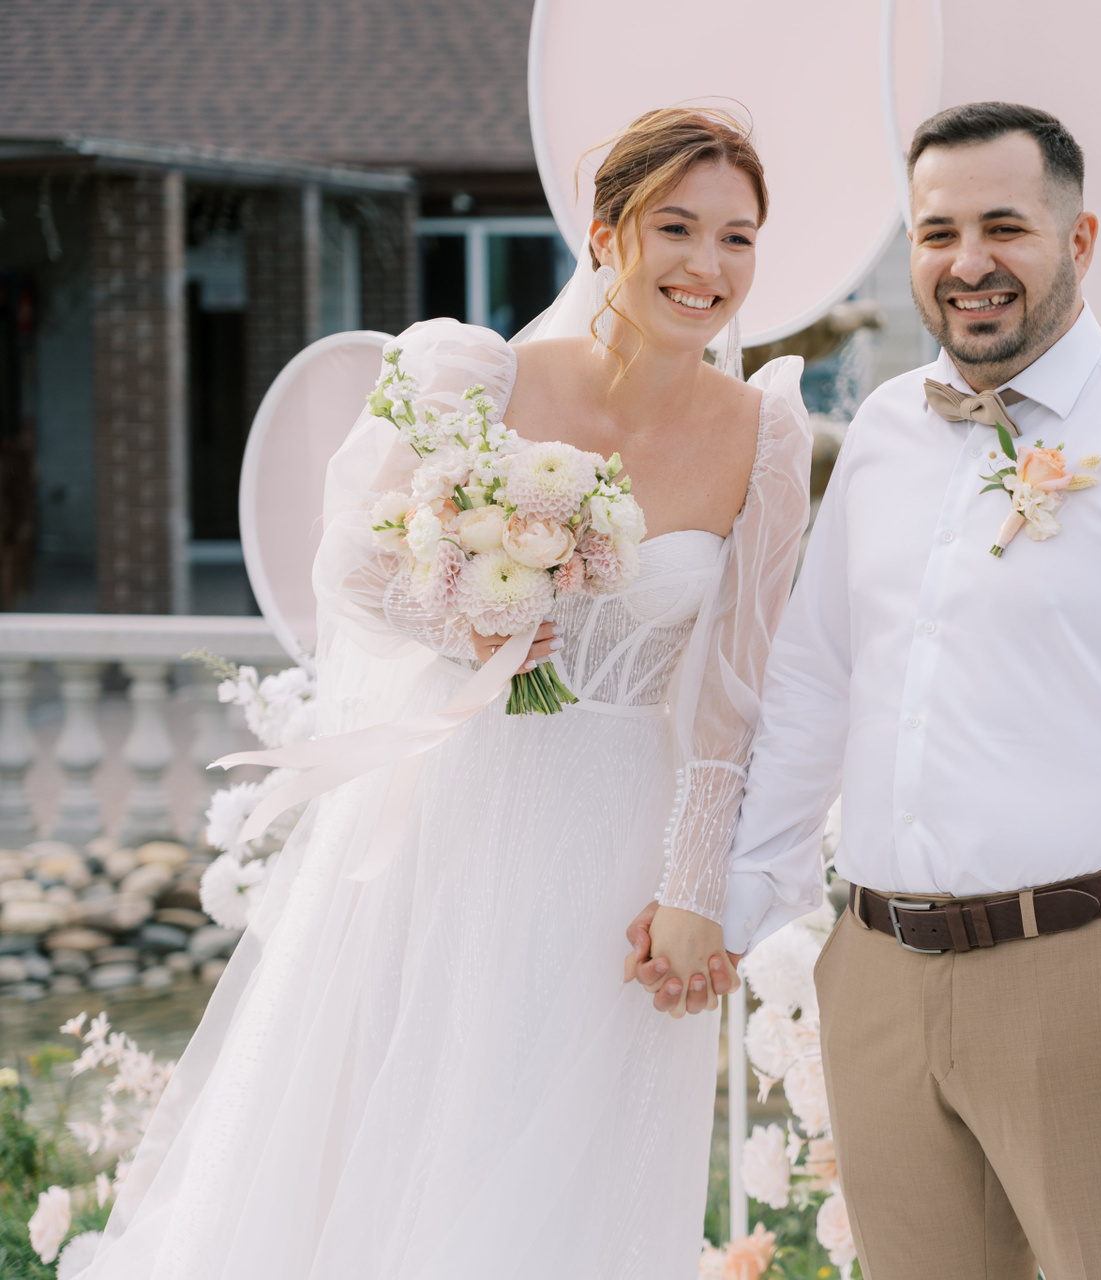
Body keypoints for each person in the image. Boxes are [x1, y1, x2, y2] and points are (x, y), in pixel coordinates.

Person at [79, 108, 810, 1280]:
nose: (707, 266)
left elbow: (738, 687)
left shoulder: (765, 434)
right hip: (460, 809)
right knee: (412, 1131)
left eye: (738, 237)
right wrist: (464, 615)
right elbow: (352, 565)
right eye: (676, 227)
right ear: (605, 233)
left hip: (622, 836)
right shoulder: (477, 377)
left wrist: (693, 889)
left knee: (570, 1170)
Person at [637, 101, 1101, 1279]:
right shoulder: (884, 429)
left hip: (1084, 970)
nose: (968, 261)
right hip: (878, 970)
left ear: (1080, 239)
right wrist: (739, 893)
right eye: (938, 232)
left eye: (1005, 227)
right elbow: (816, 682)